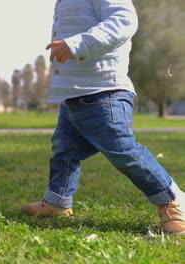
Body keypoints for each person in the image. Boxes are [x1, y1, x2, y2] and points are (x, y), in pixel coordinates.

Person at [20, 0, 184, 235]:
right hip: (74, 91)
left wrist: (77, 44)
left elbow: (125, 21)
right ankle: (57, 201)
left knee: (123, 150)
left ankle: (172, 202)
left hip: (104, 91)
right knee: (64, 150)